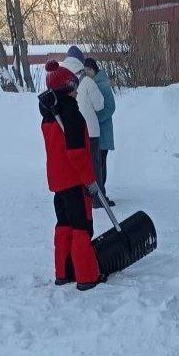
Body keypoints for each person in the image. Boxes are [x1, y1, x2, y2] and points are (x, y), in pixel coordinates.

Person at [38, 60, 105, 291]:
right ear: (67, 88)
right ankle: (86, 276)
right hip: (74, 180)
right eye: (74, 87)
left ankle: (63, 272)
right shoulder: (71, 115)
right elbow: (76, 153)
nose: (77, 92)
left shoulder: (48, 116)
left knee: (64, 224)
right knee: (81, 227)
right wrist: (90, 180)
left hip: (58, 182)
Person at [62, 51, 104, 207]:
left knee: (77, 166)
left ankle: (81, 197)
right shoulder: (87, 82)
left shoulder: (62, 81)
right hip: (91, 131)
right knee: (93, 165)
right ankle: (97, 200)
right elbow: (100, 105)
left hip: (68, 130)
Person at [84, 57, 116, 207]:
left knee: (100, 164)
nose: (87, 73)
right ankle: (98, 195)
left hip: (103, 132)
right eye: (85, 70)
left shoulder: (102, 85)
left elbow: (110, 107)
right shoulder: (90, 84)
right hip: (95, 131)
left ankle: (101, 195)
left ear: (94, 69)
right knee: (96, 164)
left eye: (89, 70)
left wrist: (95, 119)